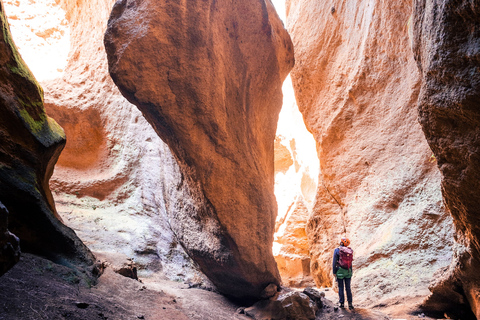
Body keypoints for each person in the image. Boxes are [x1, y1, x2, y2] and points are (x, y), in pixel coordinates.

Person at [332, 237, 354, 310]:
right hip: (348, 271)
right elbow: (350, 263)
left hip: (340, 271)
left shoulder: (337, 250)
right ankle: (350, 304)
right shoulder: (349, 251)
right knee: (348, 287)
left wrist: (334, 272)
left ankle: (341, 304)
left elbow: (334, 262)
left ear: (340, 242)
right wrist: (351, 271)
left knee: (341, 287)